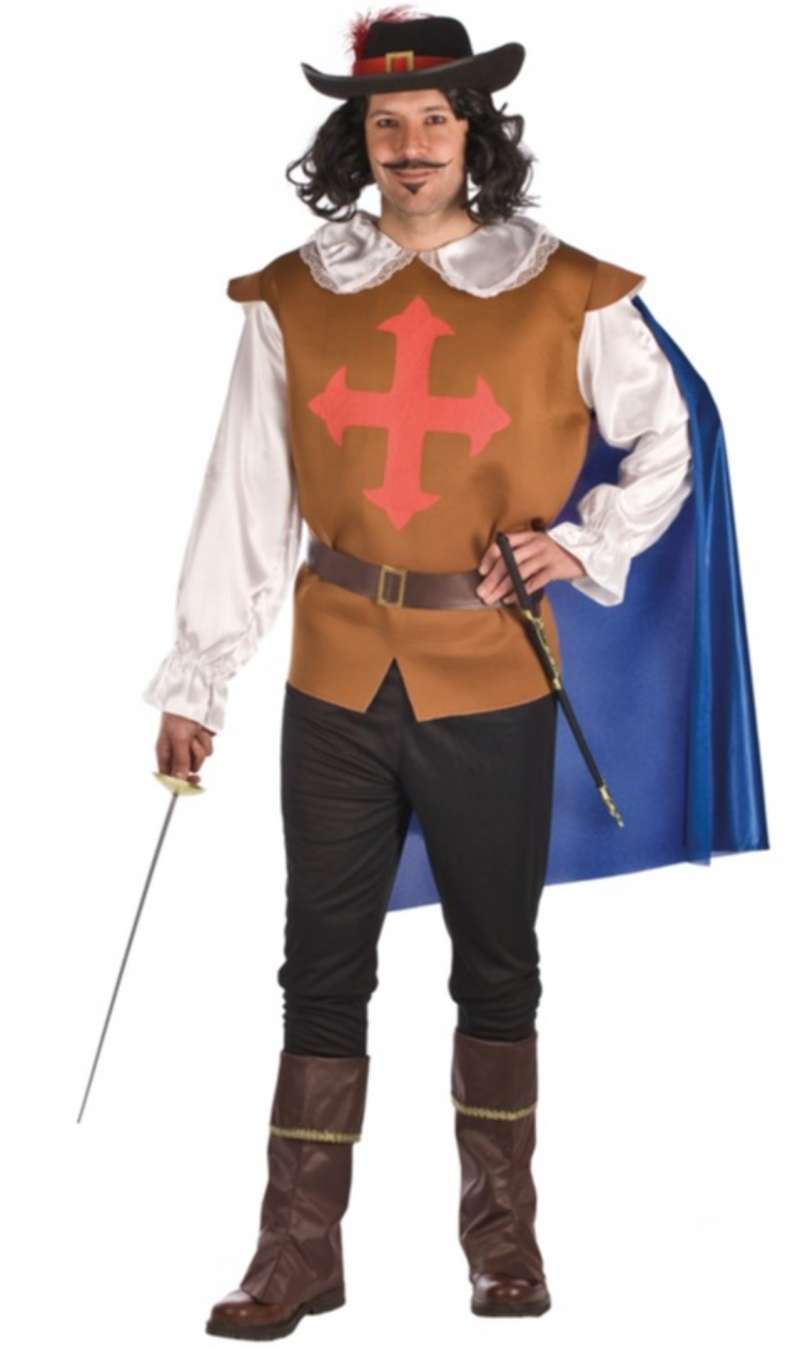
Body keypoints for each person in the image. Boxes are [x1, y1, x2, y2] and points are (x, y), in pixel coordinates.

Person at [142, 9, 768, 1339]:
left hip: (489, 675)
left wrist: (578, 544)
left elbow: (670, 443)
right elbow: (247, 493)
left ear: (473, 132)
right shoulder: (297, 295)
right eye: (388, 122)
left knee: (497, 963)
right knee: (319, 964)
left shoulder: (564, 289)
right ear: (358, 139)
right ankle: (296, 1251)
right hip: (334, 674)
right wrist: (199, 677)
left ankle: (504, 1239)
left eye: (435, 118)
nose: (413, 144)